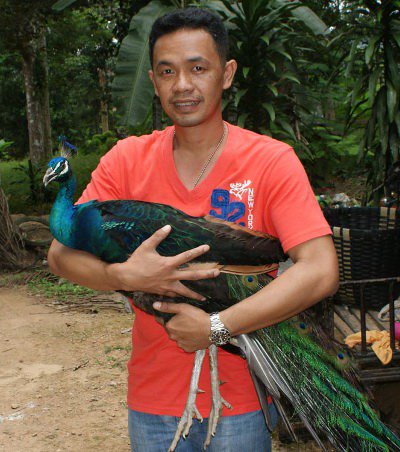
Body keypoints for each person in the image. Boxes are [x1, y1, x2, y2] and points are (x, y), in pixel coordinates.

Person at [48, 7, 338, 452]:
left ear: (226, 73)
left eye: (197, 68)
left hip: (242, 402)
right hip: (153, 400)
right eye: (167, 71)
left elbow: (318, 269)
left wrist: (217, 328)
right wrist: (122, 277)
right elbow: (59, 254)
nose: (182, 85)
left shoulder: (271, 160)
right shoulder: (126, 160)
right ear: (153, 79)